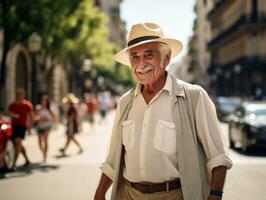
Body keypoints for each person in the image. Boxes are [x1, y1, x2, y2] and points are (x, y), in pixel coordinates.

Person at [94, 22, 233, 200]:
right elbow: (112, 160)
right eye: (135, 57)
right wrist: (99, 193)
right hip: (128, 194)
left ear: (165, 59)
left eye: (149, 54)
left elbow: (219, 156)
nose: (141, 63)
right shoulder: (125, 102)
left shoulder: (193, 97)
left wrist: (215, 195)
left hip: (174, 195)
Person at [8, 89, 34, 169]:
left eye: (20, 95)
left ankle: (14, 164)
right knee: (18, 144)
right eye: (17, 95)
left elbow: (31, 116)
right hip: (14, 126)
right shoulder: (12, 104)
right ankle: (27, 160)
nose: (18, 96)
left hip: (22, 126)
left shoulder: (27, 104)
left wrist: (30, 128)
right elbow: (9, 112)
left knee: (17, 143)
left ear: (23, 95)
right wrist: (13, 115)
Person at [35, 95, 54, 163]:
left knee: (45, 141)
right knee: (39, 142)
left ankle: (45, 156)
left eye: (45, 100)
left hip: (47, 126)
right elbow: (35, 117)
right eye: (42, 100)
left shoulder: (49, 109)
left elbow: (54, 118)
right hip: (40, 126)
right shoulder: (38, 108)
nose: (43, 102)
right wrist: (39, 118)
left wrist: (46, 118)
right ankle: (43, 153)